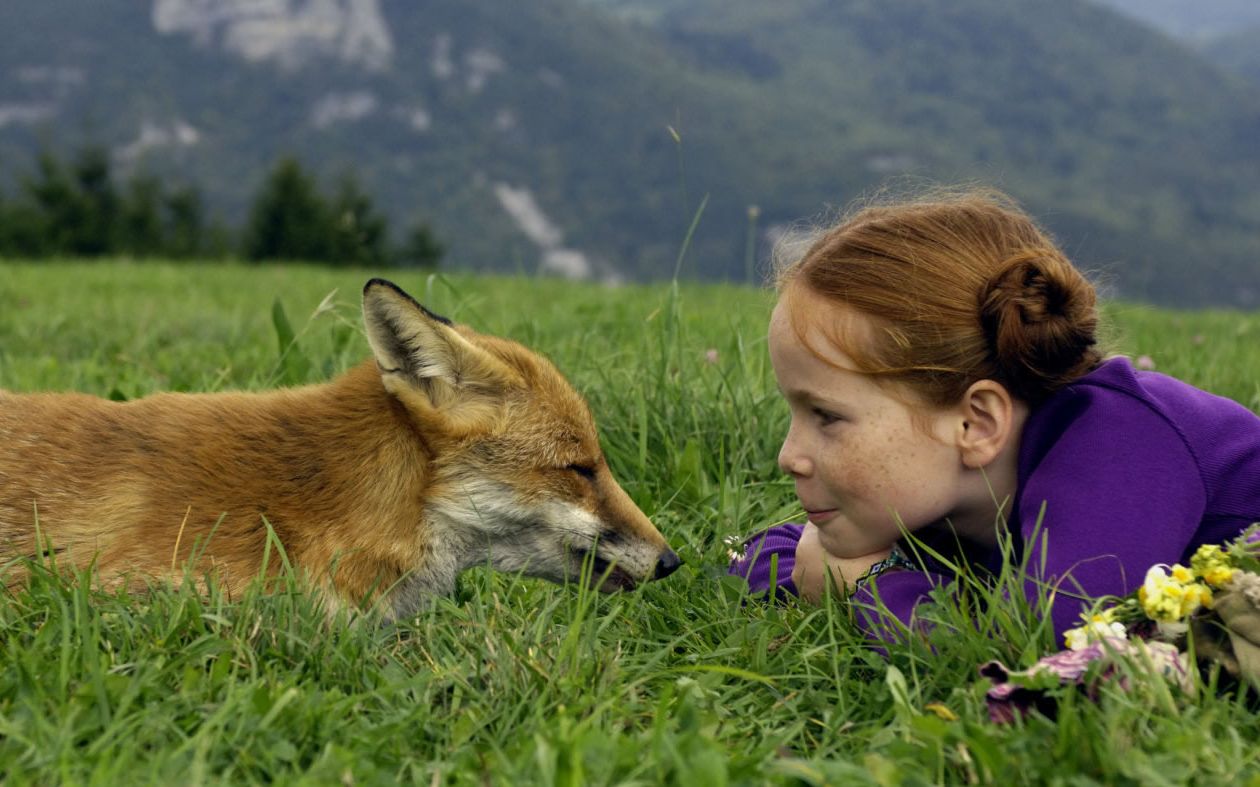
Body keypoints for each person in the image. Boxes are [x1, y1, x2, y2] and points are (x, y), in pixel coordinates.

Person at [728, 188, 1260, 644]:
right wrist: (833, 569)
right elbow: (768, 556)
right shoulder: (944, 491)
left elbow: (1042, 641)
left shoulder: (1121, 446)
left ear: (976, 424)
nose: (789, 457)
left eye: (826, 416)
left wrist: (868, 587)